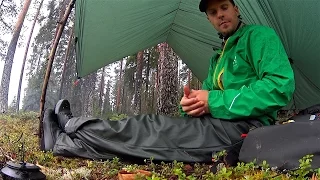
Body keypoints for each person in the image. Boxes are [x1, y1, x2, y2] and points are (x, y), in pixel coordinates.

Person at [42, 0, 295, 165]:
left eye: (224, 7)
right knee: (152, 134)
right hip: (217, 123)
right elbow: (207, 95)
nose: (220, 15)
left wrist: (213, 100)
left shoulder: (259, 37)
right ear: (208, 19)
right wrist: (192, 104)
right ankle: (67, 141)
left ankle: (73, 127)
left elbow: (280, 87)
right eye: (213, 12)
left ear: (236, 8)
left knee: (151, 129)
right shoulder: (218, 56)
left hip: (247, 129)